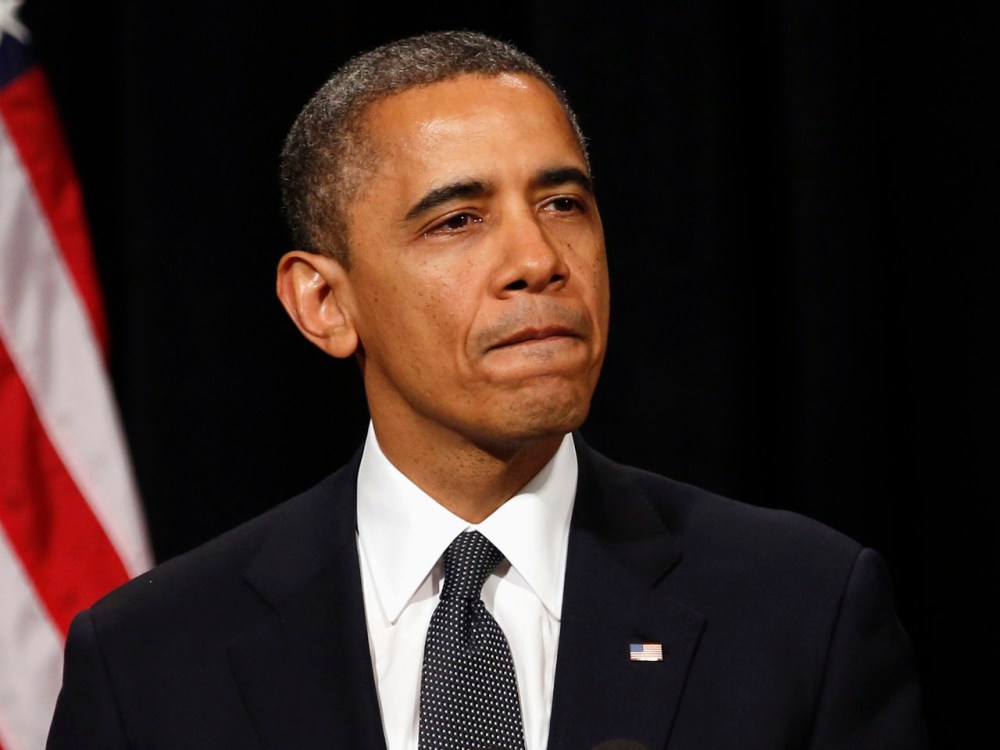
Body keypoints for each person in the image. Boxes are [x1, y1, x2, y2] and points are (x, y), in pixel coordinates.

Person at [46, 30, 927, 750]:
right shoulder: (150, 661)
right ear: (324, 302)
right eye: (457, 220)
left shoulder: (802, 607)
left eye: (563, 204)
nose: (538, 261)